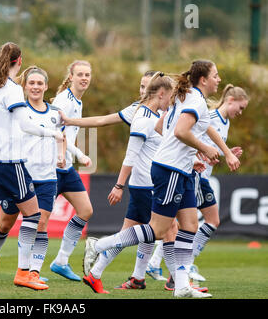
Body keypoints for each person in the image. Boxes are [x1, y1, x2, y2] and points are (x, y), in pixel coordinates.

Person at [83, 59, 240, 298]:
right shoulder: (194, 100)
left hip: (182, 169)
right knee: (158, 230)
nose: (219, 80)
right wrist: (203, 149)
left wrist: (189, 152)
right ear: (204, 79)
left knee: (189, 226)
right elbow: (179, 131)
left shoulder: (188, 97)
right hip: (170, 170)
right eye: (216, 75)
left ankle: (182, 286)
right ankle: (101, 245)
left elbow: (162, 127)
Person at [0, 42, 63, 291]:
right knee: (33, 215)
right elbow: (25, 124)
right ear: (19, 61)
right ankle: (23, 273)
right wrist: (53, 133)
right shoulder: (12, 90)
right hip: (8, 163)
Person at [60, 70, 169, 282]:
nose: (143, 91)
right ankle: (178, 278)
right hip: (146, 182)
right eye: (141, 86)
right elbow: (102, 121)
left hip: (149, 181)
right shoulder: (138, 111)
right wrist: (71, 121)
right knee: (166, 230)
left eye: (147, 86)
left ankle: (104, 273)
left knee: (133, 231)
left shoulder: (165, 110)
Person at [190, 84, 249, 279]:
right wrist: (203, 155)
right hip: (195, 174)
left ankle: (163, 265)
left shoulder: (225, 122)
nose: (240, 113)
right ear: (230, 100)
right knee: (197, 222)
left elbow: (211, 148)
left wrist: (227, 153)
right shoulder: (210, 117)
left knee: (177, 224)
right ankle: (184, 265)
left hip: (202, 176)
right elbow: (193, 140)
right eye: (240, 108)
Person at [47, 60, 95, 282]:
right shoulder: (63, 101)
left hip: (66, 168)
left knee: (85, 210)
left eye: (87, 74)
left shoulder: (78, 101)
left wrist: (76, 155)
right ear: (71, 76)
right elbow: (55, 132)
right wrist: (74, 155)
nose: (84, 78)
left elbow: (68, 135)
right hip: (52, 167)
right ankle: (28, 271)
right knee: (38, 220)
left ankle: (61, 262)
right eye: (80, 74)